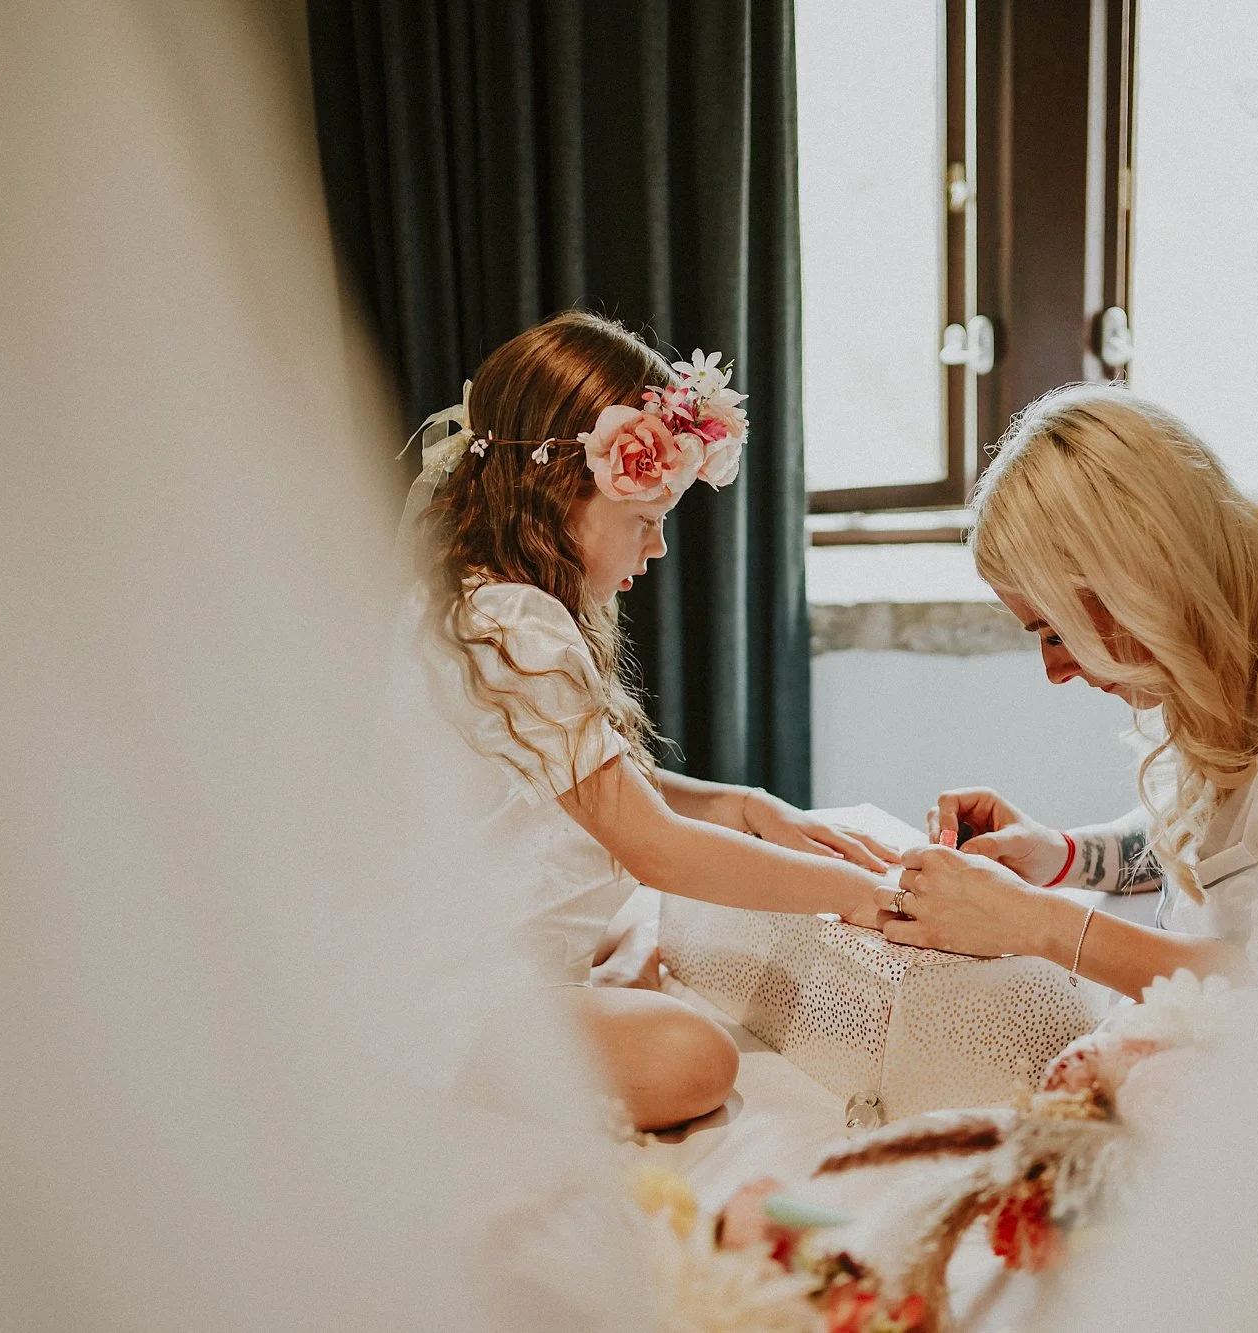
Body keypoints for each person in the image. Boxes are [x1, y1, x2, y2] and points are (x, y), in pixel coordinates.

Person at [384, 311, 898, 1130]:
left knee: (659, 941)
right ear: (563, 490)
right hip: (454, 988)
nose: (656, 549)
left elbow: (587, 781)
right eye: (644, 521)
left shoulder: (481, 600)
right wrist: (865, 895)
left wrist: (743, 805)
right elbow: (652, 845)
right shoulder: (513, 623)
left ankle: (586, 1001)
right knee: (696, 1056)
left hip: (479, 956)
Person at [883, 385, 1258, 994]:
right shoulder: (1250, 619)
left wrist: (1034, 924)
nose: (1055, 672)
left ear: (1135, 578)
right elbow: (1223, 846)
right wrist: (1059, 854)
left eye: (1055, 632)